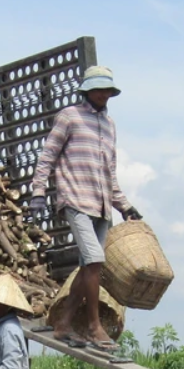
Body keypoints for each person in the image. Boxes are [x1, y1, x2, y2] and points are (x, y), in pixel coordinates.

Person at [29, 65, 141, 351]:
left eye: (107, 90)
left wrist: (125, 206)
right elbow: (47, 156)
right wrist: (38, 192)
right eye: (99, 89)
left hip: (101, 203)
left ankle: (64, 323)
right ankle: (93, 327)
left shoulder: (109, 125)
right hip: (76, 198)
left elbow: (109, 173)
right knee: (94, 260)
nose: (103, 94)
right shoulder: (70, 117)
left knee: (87, 266)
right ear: (87, 90)